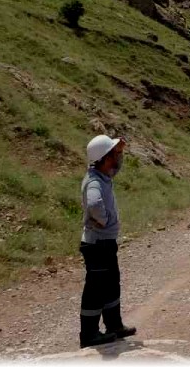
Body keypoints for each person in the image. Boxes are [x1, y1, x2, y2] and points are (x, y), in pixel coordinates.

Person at [78, 135, 136, 348]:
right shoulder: (94, 182)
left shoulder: (103, 177)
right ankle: (89, 334)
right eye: (115, 154)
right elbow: (94, 205)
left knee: (111, 285)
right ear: (104, 158)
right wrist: (103, 221)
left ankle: (114, 326)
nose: (118, 158)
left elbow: (113, 169)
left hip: (105, 243)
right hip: (97, 244)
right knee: (95, 290)